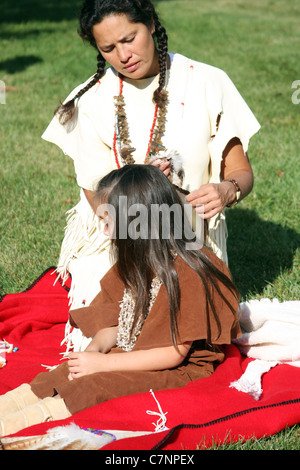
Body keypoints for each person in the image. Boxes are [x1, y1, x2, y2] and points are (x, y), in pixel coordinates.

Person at [42, 0, 260, 349]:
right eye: (108, 48)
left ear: (152, 24)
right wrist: (139, 188)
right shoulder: (91, 100)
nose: (123, 55)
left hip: (186, 237)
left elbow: (240, 171)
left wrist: (227, 190)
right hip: (118, 234)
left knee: (178, 336)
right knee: (101, 334)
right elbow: (97, 199)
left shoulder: (205, 81)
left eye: (130, 38)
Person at [0, 164, 241, 437]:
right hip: (136, 351)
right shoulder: (136, 260)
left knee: (94, 386)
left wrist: (103, 365)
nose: (104, 231)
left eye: (108, 222)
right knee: (62, 374)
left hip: (178, 369)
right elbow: (121, 323)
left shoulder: (190, 271)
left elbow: (175, 353)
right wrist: (94, 350)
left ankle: (15, 426)